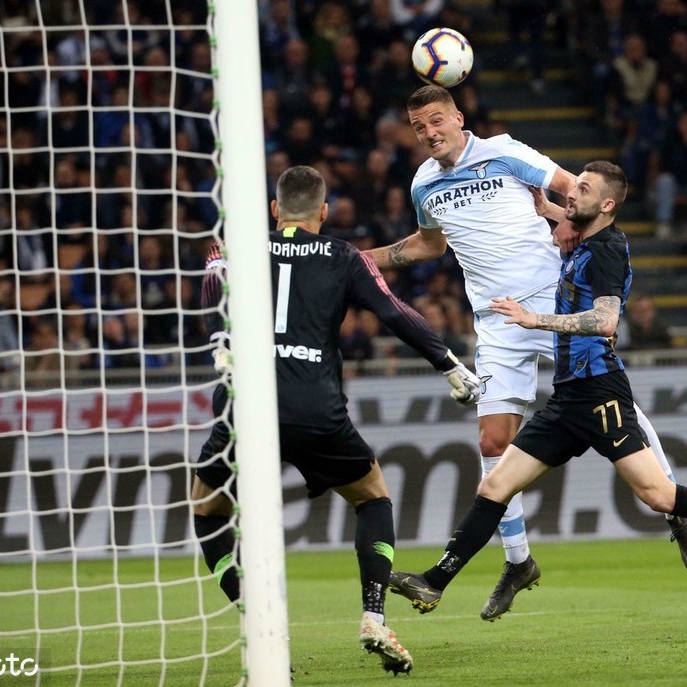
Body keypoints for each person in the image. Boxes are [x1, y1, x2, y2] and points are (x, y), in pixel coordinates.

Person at [388, 162, 687, 617]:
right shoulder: (586, 239)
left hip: (600, 391)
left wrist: (534, 319)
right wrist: (546, 209)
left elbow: (605, 321)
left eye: (582, 189)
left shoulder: (607, 250)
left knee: (658, 494)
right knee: (496, 485)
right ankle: (434, 582)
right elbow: (569, 222)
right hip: (567, 397)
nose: (571, 192)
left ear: (606, 204)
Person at [366, 85, 687, 623]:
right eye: (418, 127)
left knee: (614, 405)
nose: (429, 133)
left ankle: (674, 512)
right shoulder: (423, 183)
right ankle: (518, 562)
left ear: (458, 118)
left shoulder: (504, 151)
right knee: (492, 441)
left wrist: (566, 223)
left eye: (436, 120)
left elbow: (575, 189)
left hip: (553, 301)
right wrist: (357, 260)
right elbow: (429, 244)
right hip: (496, 321)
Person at [190, 165, 482, 675]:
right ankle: (374, 615)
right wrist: (449, 364)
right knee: (373, 498)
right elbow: (394, 313)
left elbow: (214, 270)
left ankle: (256, 620)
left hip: (246, 407)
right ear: (323, 212)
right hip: (315, 407)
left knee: (207, 509)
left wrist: (221, 341)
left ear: (275, 209)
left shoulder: (237, 248)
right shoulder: (344, 256)